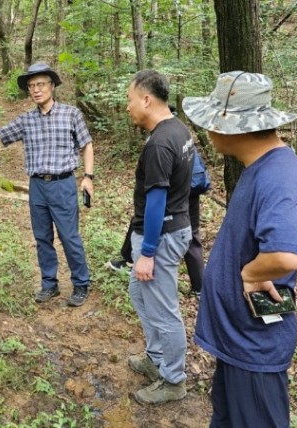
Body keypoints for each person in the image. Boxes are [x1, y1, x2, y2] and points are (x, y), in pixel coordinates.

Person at [183, 71, 297, 427]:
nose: (206, 132)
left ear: (230, 125)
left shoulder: (277, 175)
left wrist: (250, 273)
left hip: (254, 345)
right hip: (239, 339)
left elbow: (286, 254)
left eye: (210, 121)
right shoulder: (260, 167)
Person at [0, 62, 94, 307]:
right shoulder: (26, 121)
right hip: (37, 187)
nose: (36, 90)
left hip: (63, 184)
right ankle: (49, 284)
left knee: (69, 236)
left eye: (41, 84)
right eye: (32, 86)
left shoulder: (71, 114)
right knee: (42, 237)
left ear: (52, 86)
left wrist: (88, 176)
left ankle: (81, 283)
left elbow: (86, 145)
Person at [124, 70, 194, 405]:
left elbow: (156, 201)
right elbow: (193, 180)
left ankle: (173, 379)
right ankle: (155, 359)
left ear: (146, 100)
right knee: (138, 292)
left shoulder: (159, 143)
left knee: (165, 311)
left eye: (130, 99)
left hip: (161, 237)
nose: (128, 107)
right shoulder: (179, 129)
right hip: (173, 229)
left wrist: (148, 252)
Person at [107, 142, 210, 297]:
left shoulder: (161, 140)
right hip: (191, 188)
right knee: (193, 235)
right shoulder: (182, 135)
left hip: (173, 193)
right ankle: (200, 287)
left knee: (144, 218)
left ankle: (127, 259)